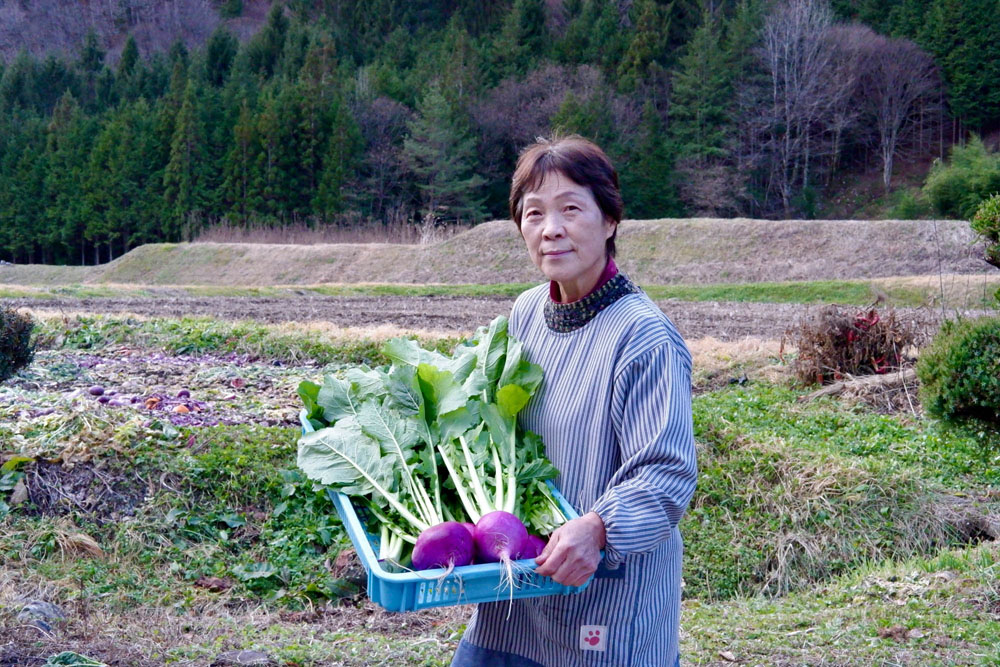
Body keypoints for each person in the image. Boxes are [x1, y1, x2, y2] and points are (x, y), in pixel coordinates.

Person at [451, 135, 698, 666]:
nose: (551, 229)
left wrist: (600, 527)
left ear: (609, 221)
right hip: (515, 591)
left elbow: (666, 476)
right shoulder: (525, 313)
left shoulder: (643, 337)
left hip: (604, 598)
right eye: (533, 213)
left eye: (570, 209)